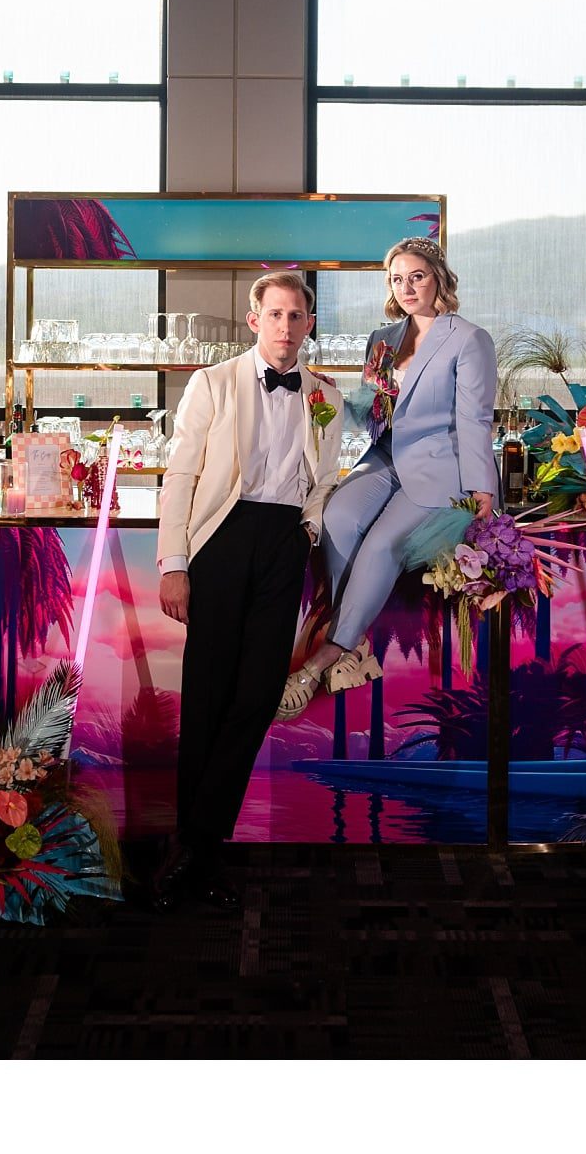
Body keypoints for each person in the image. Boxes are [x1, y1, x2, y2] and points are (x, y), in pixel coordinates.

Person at [155, 271, 345, 911]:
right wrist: (173, 563)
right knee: (208, 692)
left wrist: (309, 528)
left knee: (259, 691)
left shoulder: (325, 395)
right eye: (276, 315)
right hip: (222, 540)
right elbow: (180, 475)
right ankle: (197, 847)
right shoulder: (212, 383)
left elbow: (325, 475)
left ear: (309, 324)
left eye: (297, 316)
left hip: (283, 542)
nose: (286, 327)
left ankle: (199, 839)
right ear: (253, 318)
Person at [278, 236, 498, 717]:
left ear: (438, 277)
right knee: (337, 519)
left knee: (381, 545)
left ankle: (324, 658)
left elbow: (475, 419)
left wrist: (483, 487)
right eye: (398, 279)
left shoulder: (469, 339)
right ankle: (353, 645)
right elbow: (372, 413)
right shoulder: (383, 339)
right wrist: (335, 397)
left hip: (442, 467)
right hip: (385, 459)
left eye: (417, 276)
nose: (407, 287)